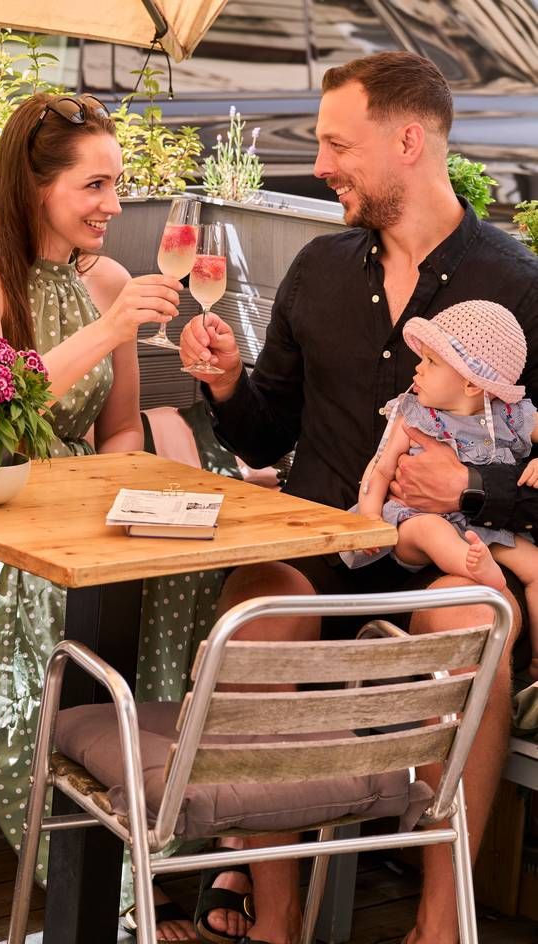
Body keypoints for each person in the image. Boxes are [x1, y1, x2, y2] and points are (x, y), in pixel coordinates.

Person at [179, 51, 538, 944]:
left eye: (338, 144)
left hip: (440, 558)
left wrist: (472, 486)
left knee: (477, 614)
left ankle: (440, 920)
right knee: (258, 612)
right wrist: (225, 386)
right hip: (317, 546)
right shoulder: (318, 267)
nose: (321, 163)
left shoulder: (520, 284)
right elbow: (268, 433)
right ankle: (275, 919)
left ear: (407, 141)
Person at [0, 92, 196, 941]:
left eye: (119, 183)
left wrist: (124, 508)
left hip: (79, 509)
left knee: (186, 579)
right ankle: (87, 876)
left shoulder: (106, 278)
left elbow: (118, 431)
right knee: (33, 600)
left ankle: (159, 832)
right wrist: (108, 329)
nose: (114, 204)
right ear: (37, 190)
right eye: (95, 186)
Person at [342, 299, 538, 681]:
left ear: (470, 382)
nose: (417, 367)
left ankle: (535, 670)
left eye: (431, 361)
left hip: (481, 527)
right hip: (414, 521)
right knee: (433, 532)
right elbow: (379, 468)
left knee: (536, 567)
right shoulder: (413, 413)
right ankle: (488, 580)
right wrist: (368, 517)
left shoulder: (512, 416)